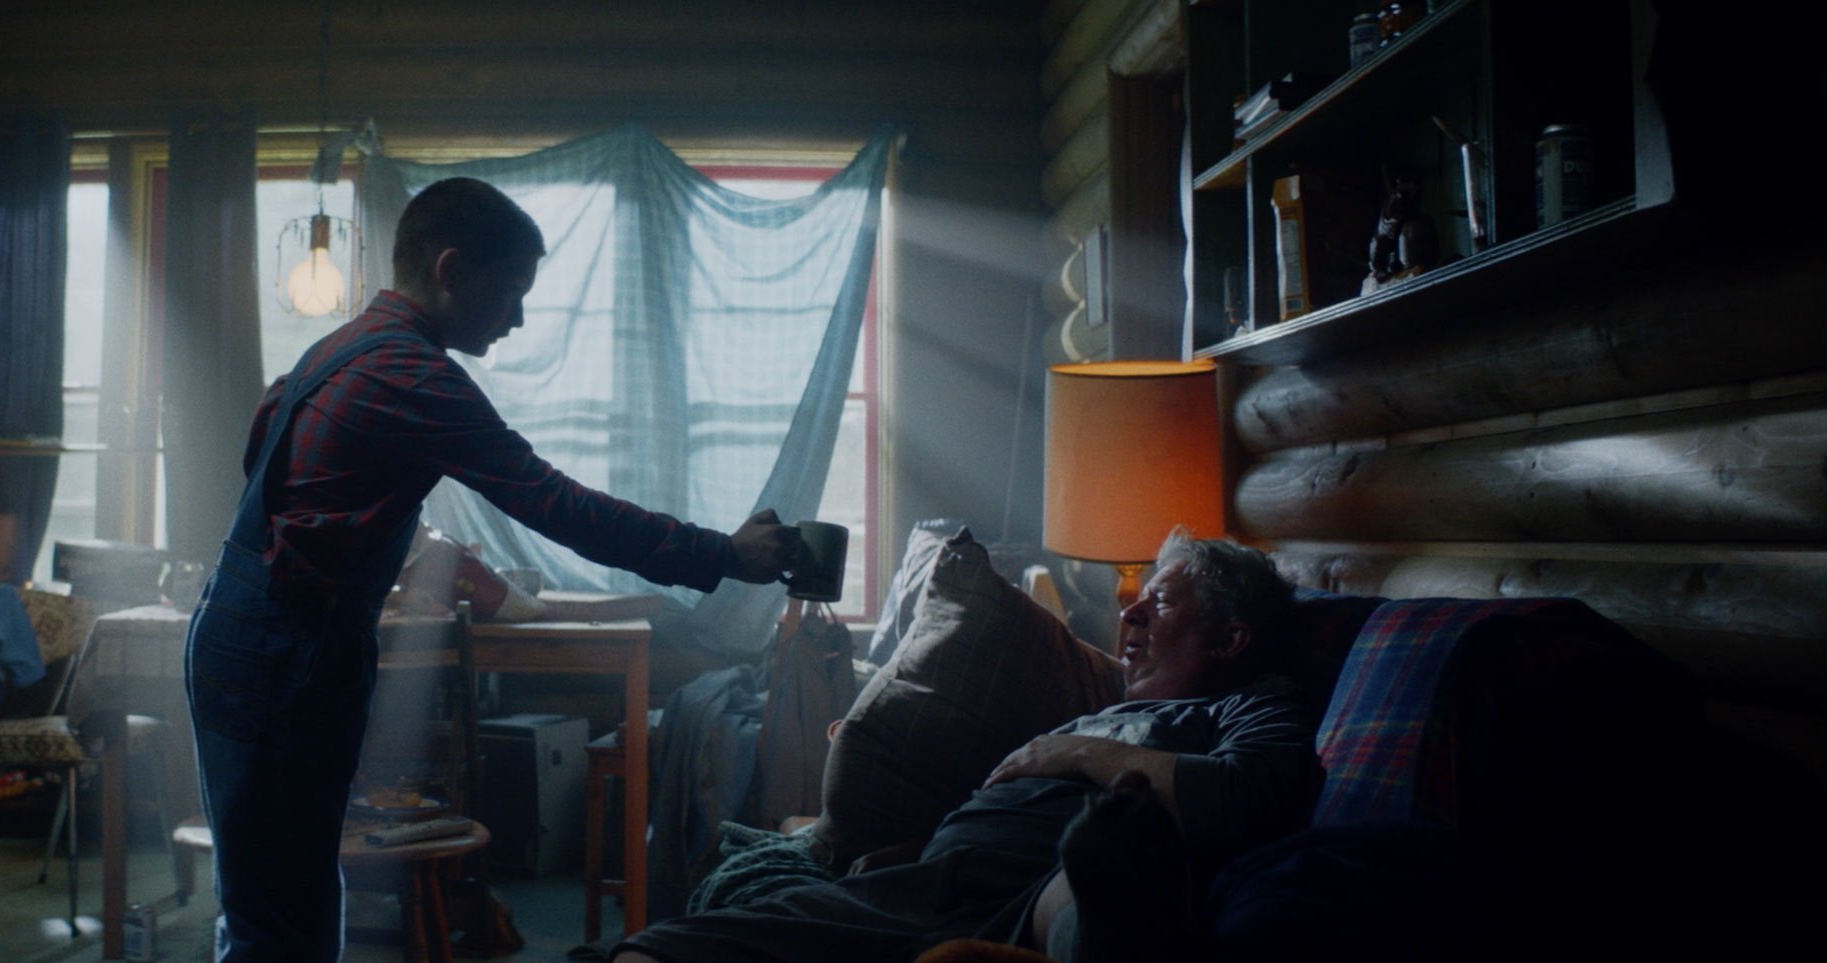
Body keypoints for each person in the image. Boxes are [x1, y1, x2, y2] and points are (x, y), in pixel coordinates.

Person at [183, 176, 796, 963]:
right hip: (283, 655)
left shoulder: (339, 348)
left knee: (268, 903)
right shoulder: (412, 375)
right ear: (450, 270)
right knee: (281, 920)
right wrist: (722, 553)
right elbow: (557, 503)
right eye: (511, 290)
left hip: (244, 634)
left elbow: (270, 470)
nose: (517, 317)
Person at [611, 528, 1317, 963]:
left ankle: (1103, 922)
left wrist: (1076, 755)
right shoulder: (1103, 702)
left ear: (1230, 639)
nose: (1129, 612)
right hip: (921, 887)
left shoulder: (1252, 704)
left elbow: (1245, 794)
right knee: (662, 948)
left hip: (1030, 890)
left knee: (1090, 870)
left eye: (1159, 601)